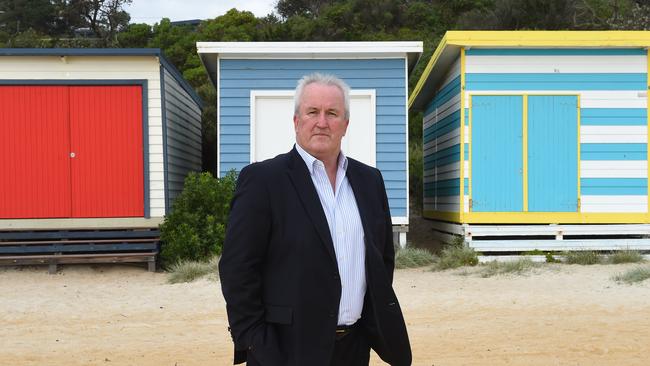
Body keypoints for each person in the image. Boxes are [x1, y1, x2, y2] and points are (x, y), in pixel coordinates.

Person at [219, 73, 411, 366]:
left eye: (332, 113)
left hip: (354, 347)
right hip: (285, 351)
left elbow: (382, 259)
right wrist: (256, 342)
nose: (322, 122)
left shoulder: (370, 181)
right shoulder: (263, 181)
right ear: (296, 121)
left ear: (345, 124)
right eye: (313, 112)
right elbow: (238, 268)